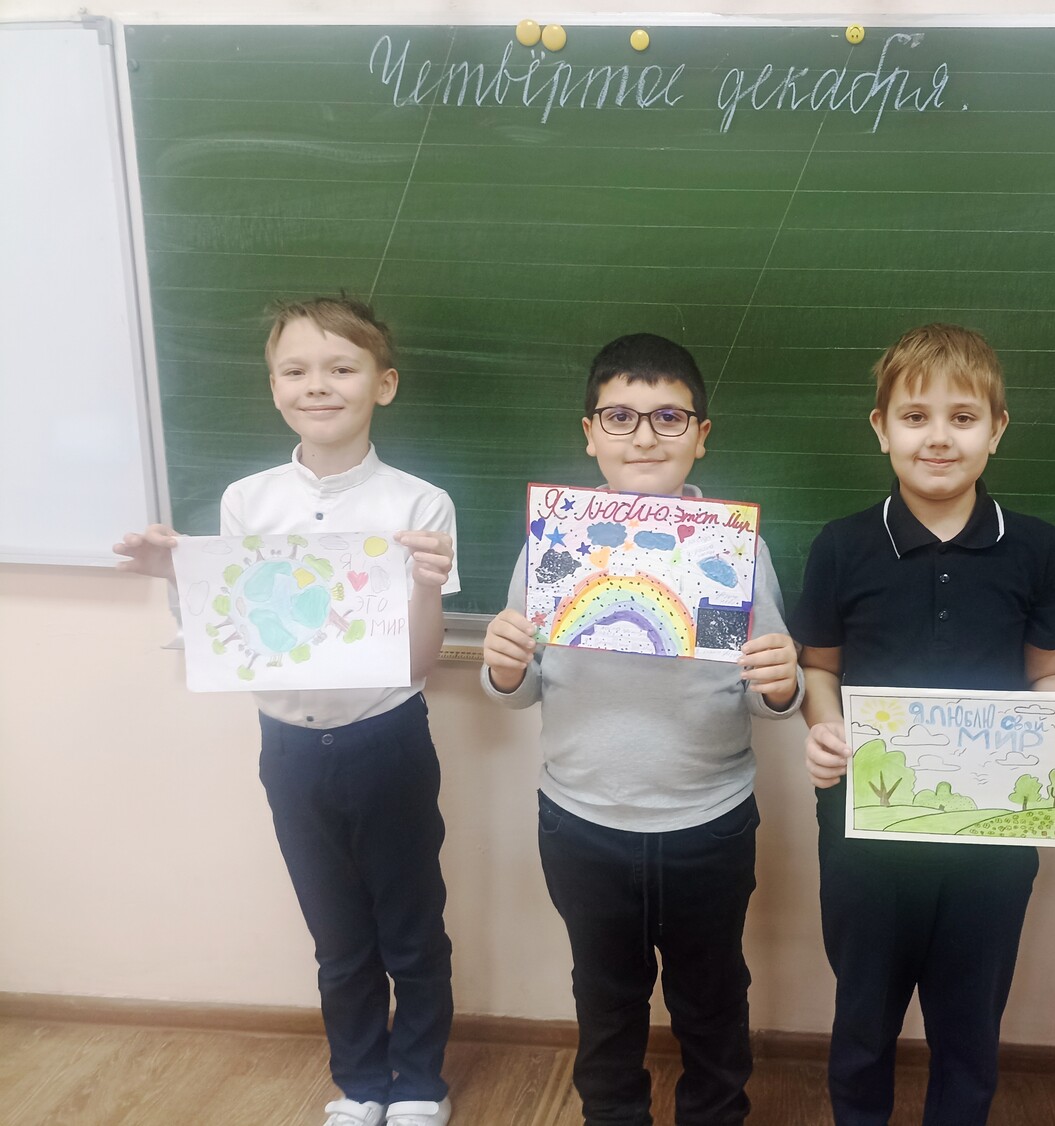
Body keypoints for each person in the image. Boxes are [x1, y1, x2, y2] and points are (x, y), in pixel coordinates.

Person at [114, 297, 459, 1126]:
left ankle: (419, 1082)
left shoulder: (420, 504)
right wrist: (178, 577)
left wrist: (422, 586)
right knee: (337, 936)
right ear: (273, 387)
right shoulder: (248, 501)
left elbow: (418, 662)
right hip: (290, 748)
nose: (318, 386)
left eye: (342, 368)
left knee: (411, 929)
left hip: (388, 738)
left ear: (384, 384)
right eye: (296, 370)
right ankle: (360, 1084)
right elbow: (238, 635)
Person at [479, 332, 803, 1126]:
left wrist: (782, 684)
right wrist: (505, 667)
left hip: (708, 821)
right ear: (589, 433)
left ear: (701, 435)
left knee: (712, 996)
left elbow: (767, 698)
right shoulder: (554, 545)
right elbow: (519, 691)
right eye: (620, 416)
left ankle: (715, 1113)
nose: (645, 436)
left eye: (668, 416)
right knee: (605, 998)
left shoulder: (736, 549)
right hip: (583, 820)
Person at [791, 323, 1055, 1126]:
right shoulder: (841, 547)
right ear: (881, 428)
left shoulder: (1035, 548)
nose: (938, 437)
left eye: (963, 418)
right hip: (867, 830)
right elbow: (819, 668)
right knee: (863, 1020)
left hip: (991, 839)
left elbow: (1048, 672)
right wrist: (824, 731)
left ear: (997, 430)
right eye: (915, 417)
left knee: (969, 1028)